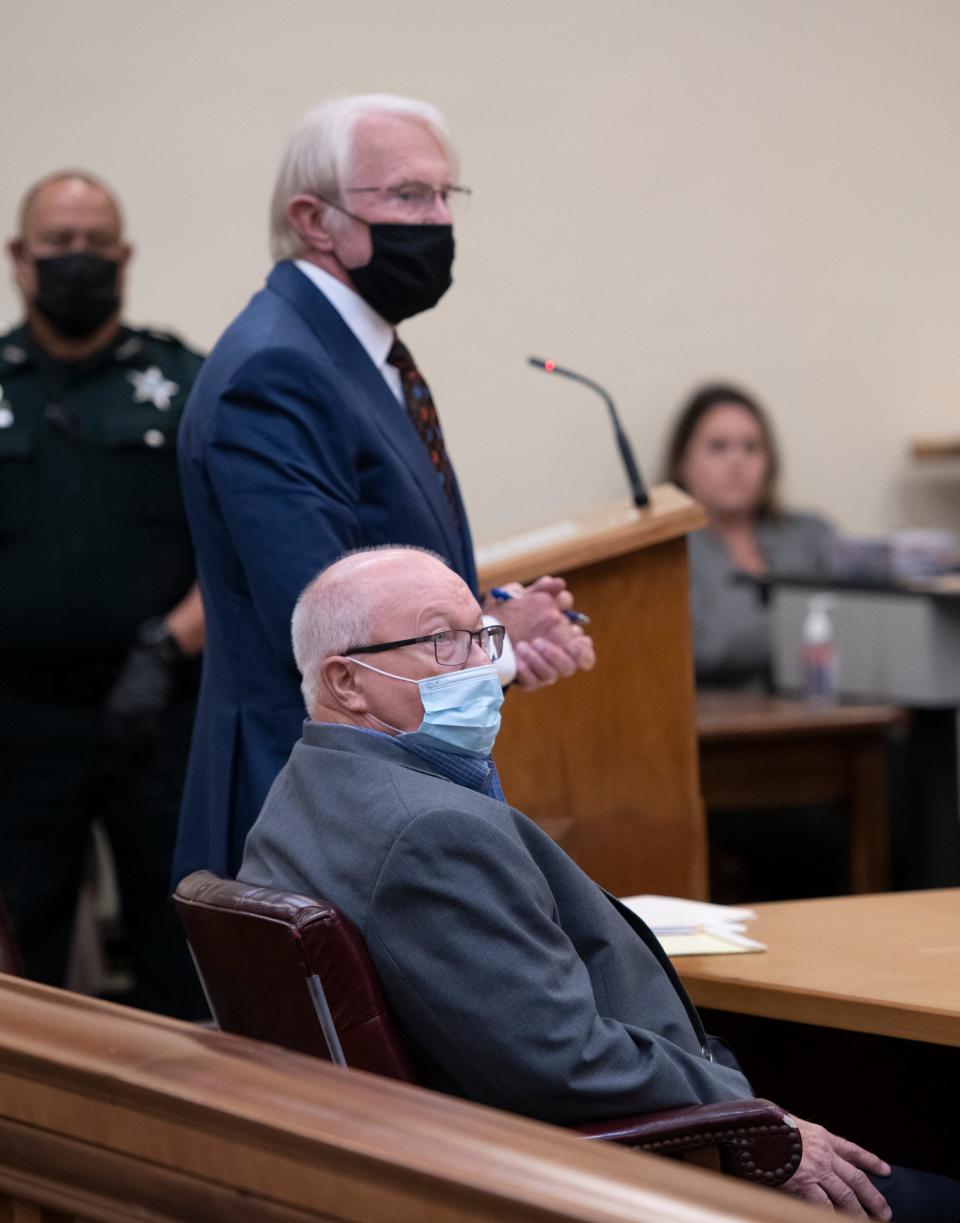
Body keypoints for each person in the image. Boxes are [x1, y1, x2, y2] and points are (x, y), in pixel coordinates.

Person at [239, 546, 960, 1221]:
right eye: (442, 643)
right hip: (636, 1162)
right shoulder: (426, 831)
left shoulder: (302, 793)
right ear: (345, 681)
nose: (483, 669)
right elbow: (562, 1063)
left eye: (481, 638)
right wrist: (766, 1128)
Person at [174, 94, 594, 882]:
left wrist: (494, 620)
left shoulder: (357, 351)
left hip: (382, 797)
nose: (436, 220)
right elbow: (326, 627)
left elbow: (376, 567)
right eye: (406, 196)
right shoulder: (278, 368)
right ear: (313, 217)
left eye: (444, 196)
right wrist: (490, 651)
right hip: (307, 808)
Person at [0, 170, 205, 1017]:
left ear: (124, 258)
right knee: (23, 952)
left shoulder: (184, 380)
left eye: (94, 247)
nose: (76, 262)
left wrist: (167, 648)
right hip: (16, 723)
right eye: (57, 246)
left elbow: (235, 557)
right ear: (19, 259)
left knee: (182, 948)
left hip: (156, 707)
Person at [665, 383, 835, 691]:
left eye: (751, 447)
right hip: (722, 728)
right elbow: (707, 646)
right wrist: (811, 626)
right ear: (683, 462)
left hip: (827, 718)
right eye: (718, 447)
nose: (737, 462)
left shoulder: (811, 535)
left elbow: (865, 621)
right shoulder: (667, 553)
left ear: (769, 462)